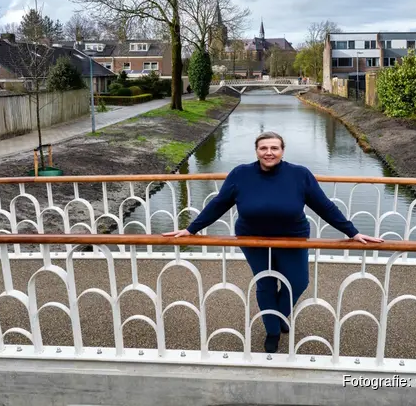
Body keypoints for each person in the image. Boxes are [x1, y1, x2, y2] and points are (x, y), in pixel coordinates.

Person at [164, 131, 383, 353]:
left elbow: (324, 206)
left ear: (282, 151)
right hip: (253, 239)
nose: (269, 152)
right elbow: (219, 204)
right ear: (257, 151)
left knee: (298, 282)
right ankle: (273, 331)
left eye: (274, 148)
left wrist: (352, 232)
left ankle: (277, 314)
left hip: (292, 238)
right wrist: (191, 229)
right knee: (266, 284)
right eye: (263, 148)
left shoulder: (299, 175)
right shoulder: (241, 174)